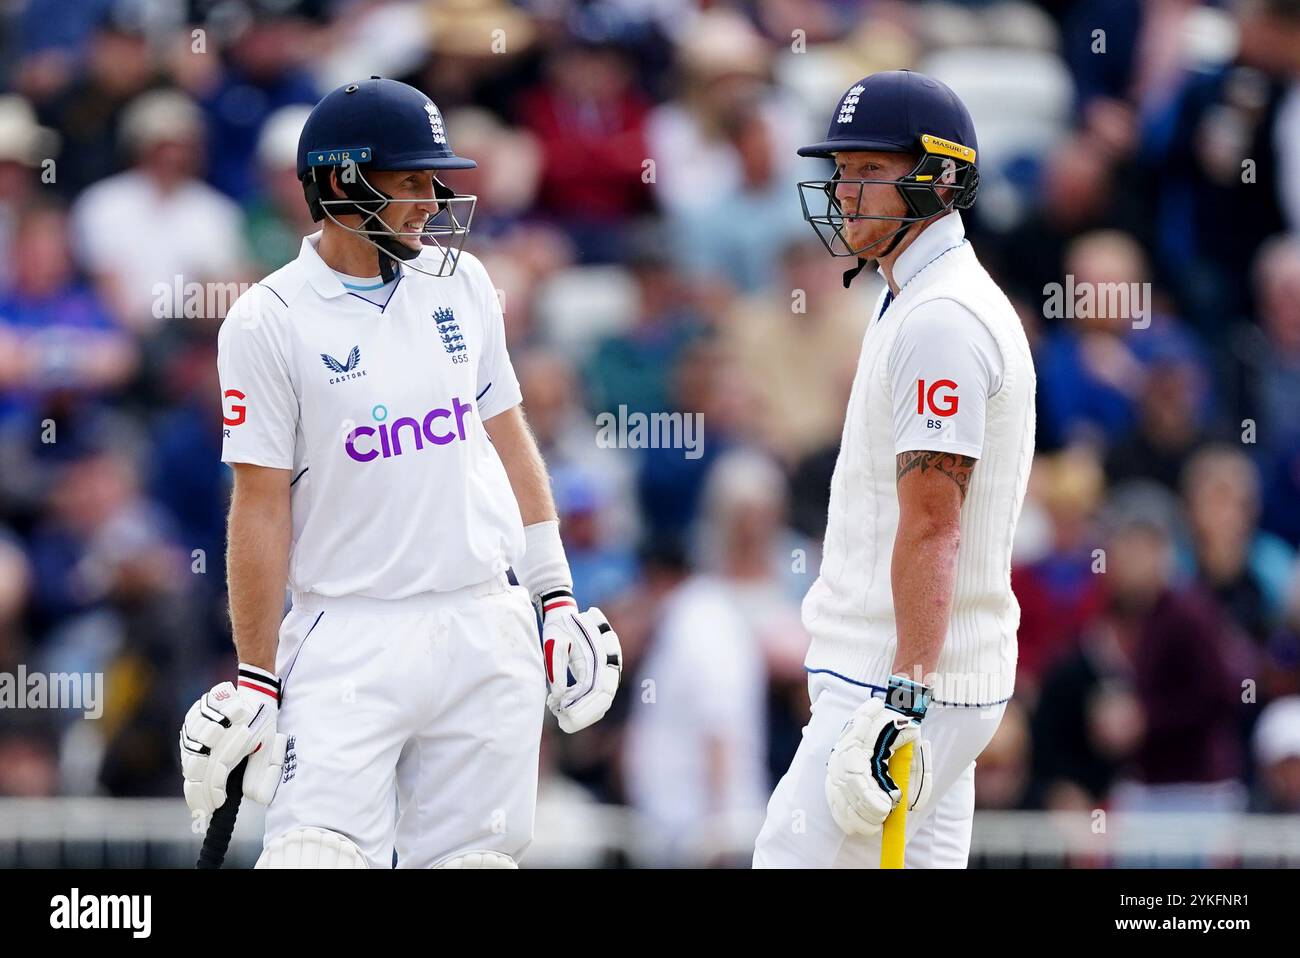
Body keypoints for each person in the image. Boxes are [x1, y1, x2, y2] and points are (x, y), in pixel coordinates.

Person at [177, 78, 623, 869]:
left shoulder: (463, 282)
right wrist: (256, 676)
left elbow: (507, 436)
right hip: (349, 631)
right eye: (413, 181)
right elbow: (259, 504)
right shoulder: (268, 319)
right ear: (344, 182)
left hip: (485, 621)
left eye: (434, 179)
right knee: (313, 858)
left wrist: (555, 596)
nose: (433, 199)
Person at [753, 70, 1037, 868]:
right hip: (935, 676)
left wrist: (901, 694)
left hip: (893, 677)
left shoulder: (941, 316)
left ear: (940, 177)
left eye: (870, 171)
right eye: (842, 171)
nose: (845, 192)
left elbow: (933, 524)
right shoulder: (915, 293)